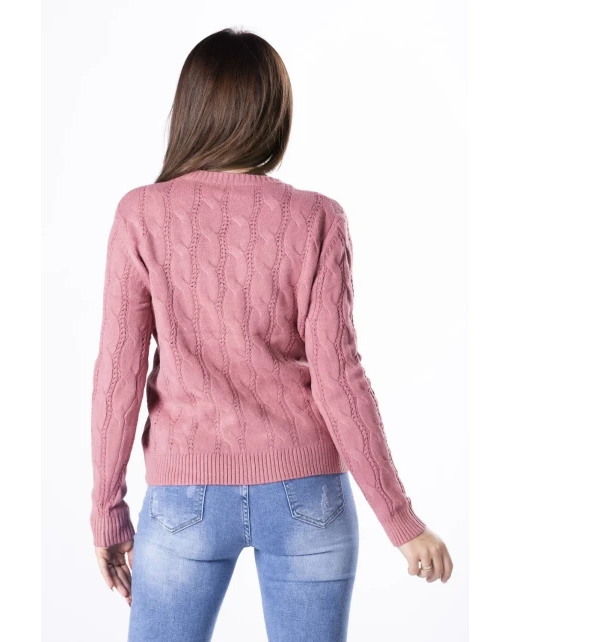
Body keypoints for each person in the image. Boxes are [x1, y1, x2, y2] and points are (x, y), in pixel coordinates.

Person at [89, 27, 453, 642]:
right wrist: (401, 520)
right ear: (273, 114)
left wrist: (106, 509)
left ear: (190, 112)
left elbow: (116, 372)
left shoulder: (141, 213)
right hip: (307, 496)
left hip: (184, 498)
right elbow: (341, 379)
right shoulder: (317, 218)